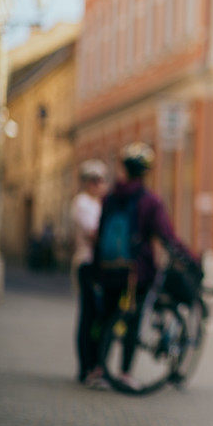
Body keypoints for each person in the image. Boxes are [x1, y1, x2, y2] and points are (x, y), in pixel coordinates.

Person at [91, 142, 196, 390]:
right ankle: (125, 372)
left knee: (106, 316)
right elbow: (167, 235)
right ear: (146, 171)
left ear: (124, 168)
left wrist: (98, 267)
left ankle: (98, 370)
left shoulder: (110, 198)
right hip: (137, 271)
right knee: (133, 320)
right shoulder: (150, 201)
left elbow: (101, 232)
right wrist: (189, 258)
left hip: (109, 268)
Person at [70, 159, 108, 385]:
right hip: (86, 263)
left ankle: (95, 364)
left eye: (101, 180)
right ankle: (85, 367)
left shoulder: (100, 204)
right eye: (93, 180)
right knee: (88, 315)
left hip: (98, 265)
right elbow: (93, 233)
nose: (98, 184)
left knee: (96, 316)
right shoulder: (82, 203)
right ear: (85, 182)